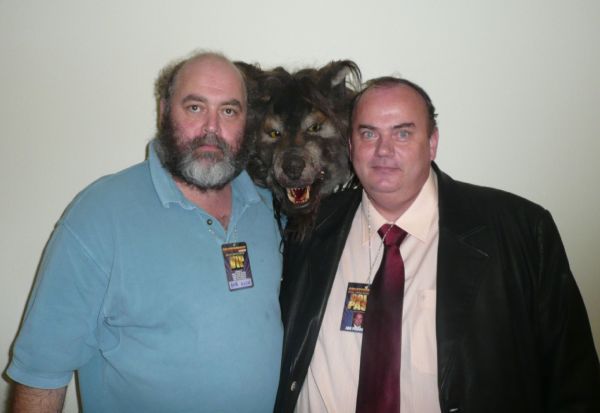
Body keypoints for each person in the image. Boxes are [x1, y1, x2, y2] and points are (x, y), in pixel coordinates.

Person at [274, 77, 600, 412]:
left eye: (402, 133)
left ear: (432, 143)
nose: (383, 150)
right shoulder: (308, 227)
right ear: (351, 145)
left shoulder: (522, 231)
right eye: (369, 134)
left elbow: (574, 381)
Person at [7, 51, 283, 412]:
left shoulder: (267, 206)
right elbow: (41, 374)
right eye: (195, 108)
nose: (211, 128)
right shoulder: (99, 215)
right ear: (164, 110)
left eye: (229, 111)